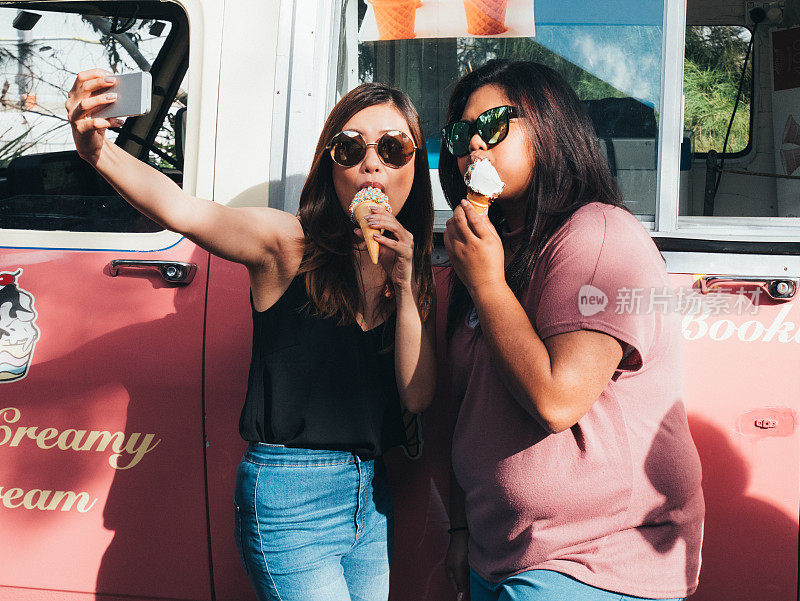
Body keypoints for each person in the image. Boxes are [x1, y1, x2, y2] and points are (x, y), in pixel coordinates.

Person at [66, 73, 436, 601]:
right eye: (350, 147)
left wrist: (404, 288)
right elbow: (185, 210)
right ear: (330, 165)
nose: (371, 163)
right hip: (291, 496)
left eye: (393, 148)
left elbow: (418, 396)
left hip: (370, 497)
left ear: (414, 165)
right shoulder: (287, 244)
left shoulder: (412, 267)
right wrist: (98, 152)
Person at [438, 59, 704, 601]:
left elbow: (558, 399)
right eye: (461, 134)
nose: (473, 146)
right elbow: (463, 406)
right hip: (502, 554)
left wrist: (489, 286)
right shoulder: (494, 251)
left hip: (596, 560)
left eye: (492, 125)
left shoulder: (598, 235)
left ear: (549, 124)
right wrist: (463, 528)